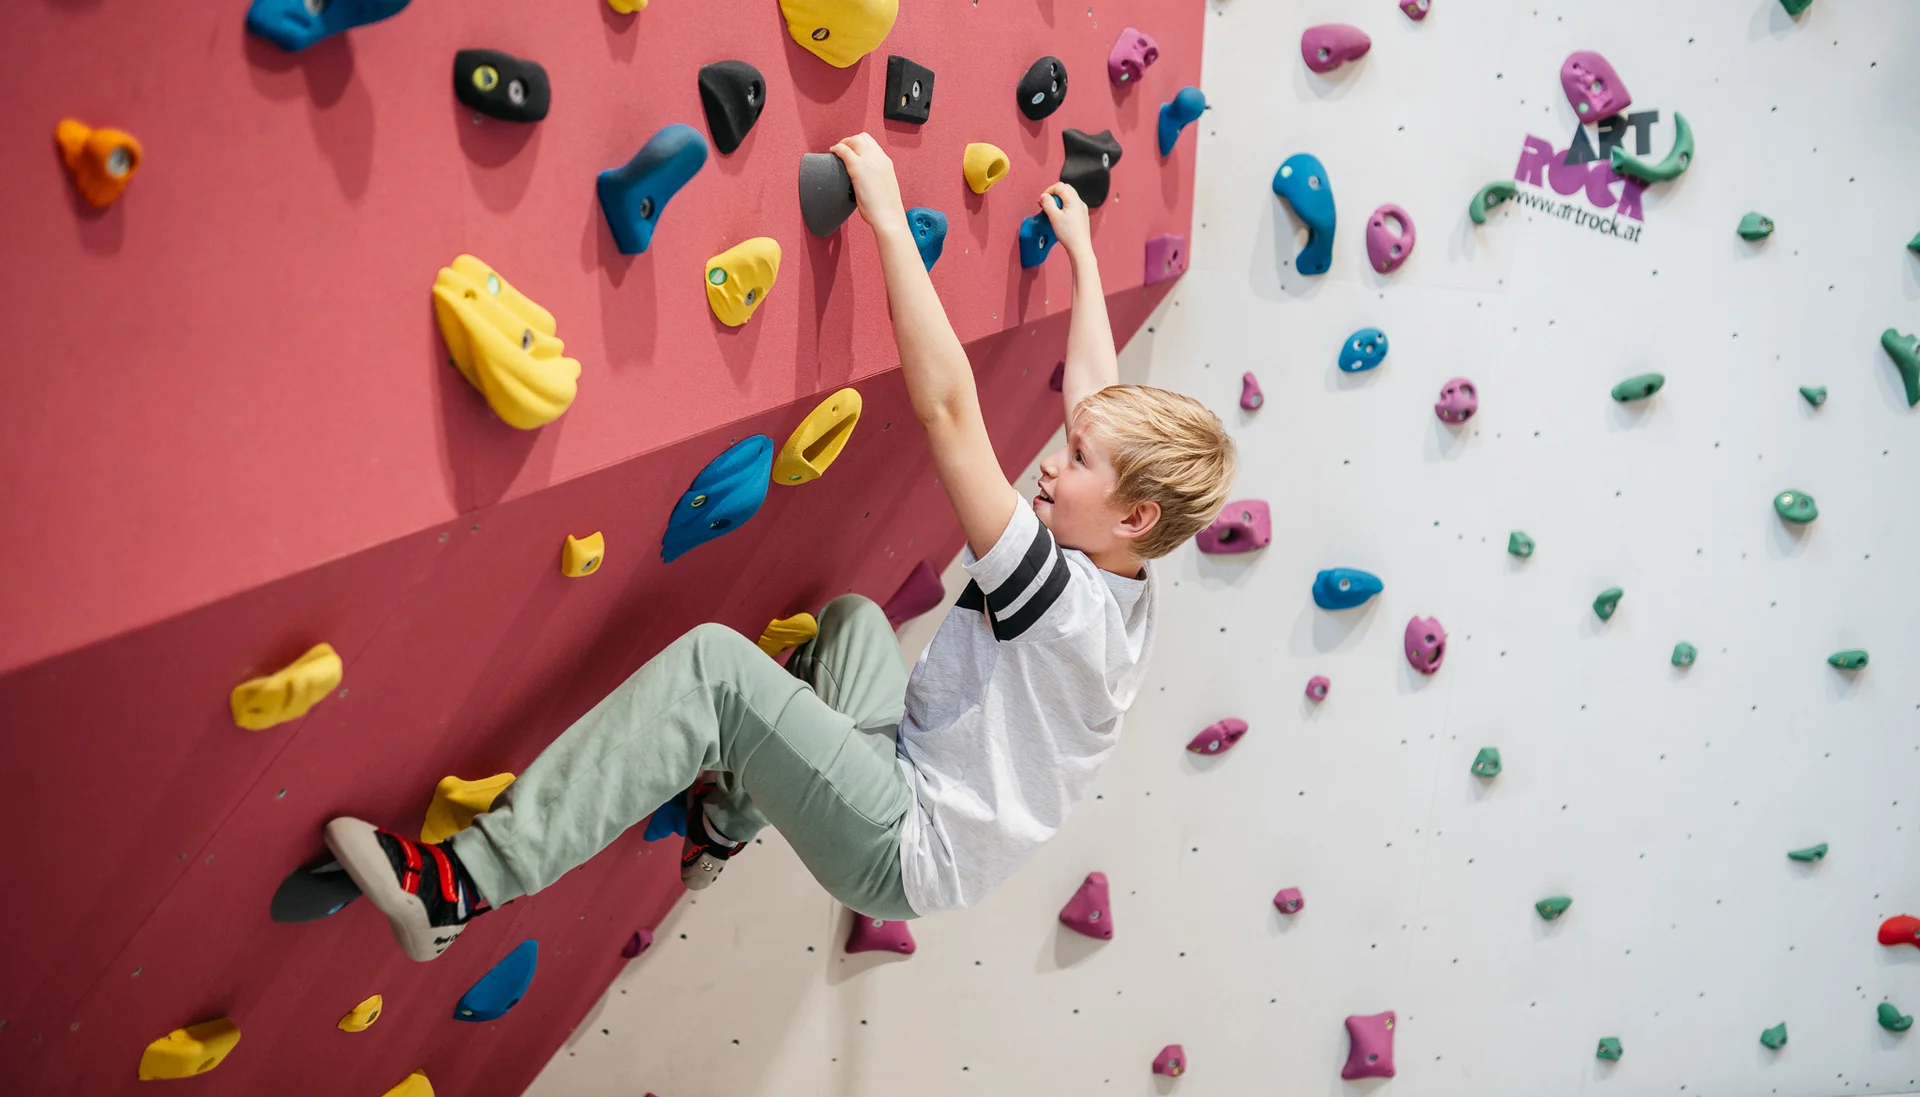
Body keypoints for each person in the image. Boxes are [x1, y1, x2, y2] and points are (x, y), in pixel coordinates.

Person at [322, 134, 1238, 962]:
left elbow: (948, 411)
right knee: (847, 633)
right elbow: (1097, 403)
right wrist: (1081, 257)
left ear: (1134, 517)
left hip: (902, 842)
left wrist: (885, 219)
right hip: (913, 776)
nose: (1054, 458)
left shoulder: (1059, 601)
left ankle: (462, 882)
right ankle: (723, 822)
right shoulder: (1125, 579)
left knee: (718, 673)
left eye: (1076, 461)